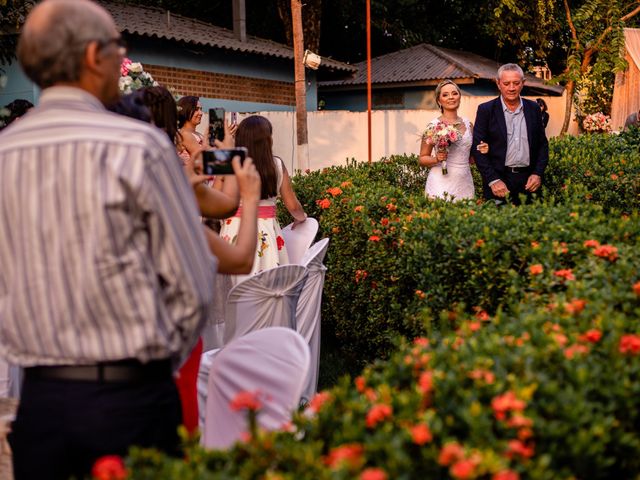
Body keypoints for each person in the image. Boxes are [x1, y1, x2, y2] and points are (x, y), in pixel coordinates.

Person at [0, 1, 219, 478]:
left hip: (40, 404)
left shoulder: (5, 153)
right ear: (95, 55)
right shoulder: (139, 147)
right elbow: (195, 284)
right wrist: (152, 366)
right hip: (131, 399)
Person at [218, 115, 307, 282]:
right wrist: (303, 219)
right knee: (268, 288)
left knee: (233, 288)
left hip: (234, 230)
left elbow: (215, 199)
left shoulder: (229, 162)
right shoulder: (277, 165)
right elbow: (293, 206)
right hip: (267, 232)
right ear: (267, 139)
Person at [472, 63, 549, 205]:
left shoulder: (533, 109)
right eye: (506, 83)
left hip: (529, 183)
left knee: (530, 225)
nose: (511, 88)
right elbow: (477, 149)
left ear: (523, 83)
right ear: (498, 83)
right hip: (499, 183)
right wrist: (493, 180)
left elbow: (542, 145)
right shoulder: (486, 110)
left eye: (516, 83)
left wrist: (537, 173)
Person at [418, 79, 488, 200]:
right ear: (439, 100)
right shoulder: (433, 126)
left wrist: (483, 149)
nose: (451, 97)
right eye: (445, 95)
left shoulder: (468, 125)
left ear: (460, 97)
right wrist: (436, 158)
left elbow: (471, 158)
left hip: (464, 181)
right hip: (439, 182)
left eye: (454, 93)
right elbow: (422, 158)